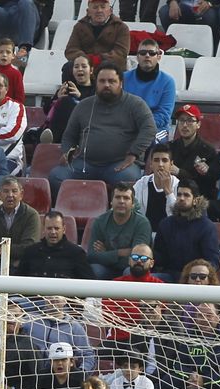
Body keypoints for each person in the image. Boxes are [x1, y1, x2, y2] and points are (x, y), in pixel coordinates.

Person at [50, 63, 155, 196]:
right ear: (96, 83)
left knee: (129, 181)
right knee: (56, 176)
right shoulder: (83, 105)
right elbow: (69, 135)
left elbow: (150, 128)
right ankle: (77, 211)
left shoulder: (136, 104)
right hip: (84, 163)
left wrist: (133, 153)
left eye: (112, 81)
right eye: (102, 81)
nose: (106, 85)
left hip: (119, 165)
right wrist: (68, 152)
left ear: (121, 83)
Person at [152, 179, 218, 279]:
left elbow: (213, 262)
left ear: (195, 200)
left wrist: (196, 274)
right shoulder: (166, 224)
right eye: (179, 195)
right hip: (169, 276)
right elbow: (160, 256)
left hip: (196, 279)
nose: (181, 198)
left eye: (186, 195)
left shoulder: (207, 227)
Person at [85, 183, 151, 279]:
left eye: (126, 198)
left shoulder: (142, 223)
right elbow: (91, 256)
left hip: (130, 268)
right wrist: (120, 253)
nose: (121, 201)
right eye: (118, 197)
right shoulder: (100, 221)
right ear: (111, 202)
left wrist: (106, 252)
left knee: (130, 271)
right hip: (106, 268)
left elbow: (138, 258)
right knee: (95, 269)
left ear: (133, 204)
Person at [124, 38, 176, 144]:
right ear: (137, 57)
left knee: (148, 140)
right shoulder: (123, 78)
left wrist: (141, 125)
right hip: (127, 126)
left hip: (158, 129)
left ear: (159, 56)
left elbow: (164, 115)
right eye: (143, 53)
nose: (147, 56)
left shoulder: (168, 82)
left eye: (152, 53)